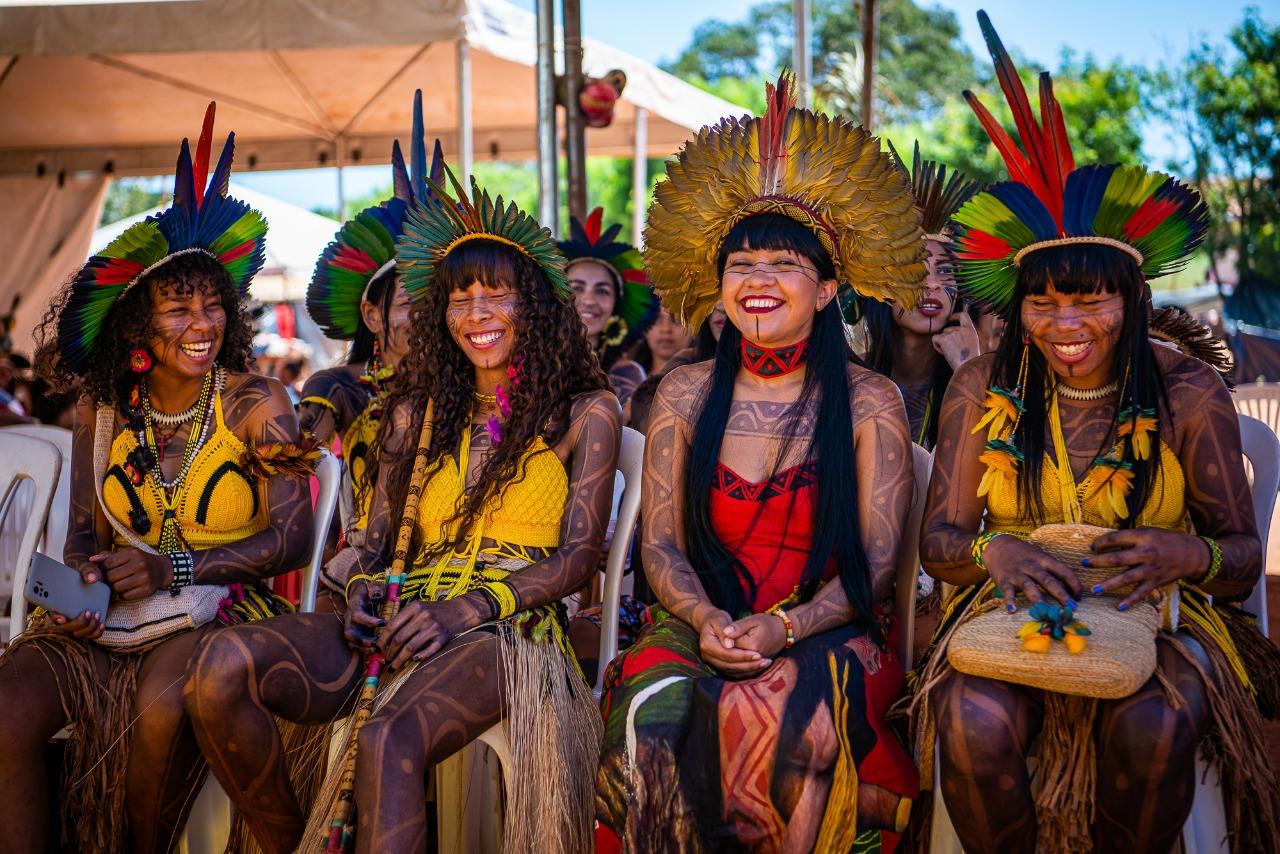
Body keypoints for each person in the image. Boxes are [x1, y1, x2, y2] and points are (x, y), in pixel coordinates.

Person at [913, 14, 1280, 852]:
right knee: (968, 717)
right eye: (1043, 301)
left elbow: (1242, 554)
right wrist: (991, 554)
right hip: (1009, 603)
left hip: (1168, 613)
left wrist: (1183, 555)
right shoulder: (982, 385)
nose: (1065, 322)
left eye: (1091, 299)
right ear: (1018, 304)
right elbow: (940, 539)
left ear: (1133, 298)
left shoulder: (1187, 391)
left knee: (1154, 723)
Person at [184, 153, 620, 854]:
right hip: (396, 614)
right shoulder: (416, 412)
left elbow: (575, 558)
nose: (474, 313)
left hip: (509, 631)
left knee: (388, 737)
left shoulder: (583, 411)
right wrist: (358, 589)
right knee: (219, 669)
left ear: (534, 305)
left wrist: (463, 610)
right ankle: (285, 843)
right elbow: (373, 543)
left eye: (496, 295)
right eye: (458, 296)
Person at [595, 73, 925, 852]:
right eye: (742, 267)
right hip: (697, 623)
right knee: (655, 726)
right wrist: (709, 620)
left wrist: (784, 628)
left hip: (829, 629)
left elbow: (875, 568)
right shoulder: (680, 391)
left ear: (829, 287)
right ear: (719, 288)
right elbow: (662, 546)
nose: (759, 282)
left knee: (777, 721)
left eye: (783, 265)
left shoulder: (872, 400)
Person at [0, 103, 313, 853]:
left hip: (224, 611)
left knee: (161, 703)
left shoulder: (255, 402)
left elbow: (294, 537)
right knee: (7, 706)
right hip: (110, 617)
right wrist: (84, 583)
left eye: (213, 304)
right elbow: (82, 532)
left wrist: (170, 565)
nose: (202, 323)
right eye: (178, 307)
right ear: (136, 325)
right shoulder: (101, 411)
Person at [302, 104, 439, 597]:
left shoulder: (475, 384)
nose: (428, 317)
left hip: (452, 566)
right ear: (371, 316)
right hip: (362, 568)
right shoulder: (336, 387)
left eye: (439, 302)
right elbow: (295, 460)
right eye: (410, 303)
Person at [860, 141, 983, 450]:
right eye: (914, 269)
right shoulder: (851, 377)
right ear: (882, 288)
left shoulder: (981, 372)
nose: (931, 285)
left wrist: (970, 369)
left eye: (944, 271)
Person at [560, 207, 658, 406]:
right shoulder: (527, 364)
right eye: (577, 288)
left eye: (602, 291)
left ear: (616, 305)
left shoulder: (627, 375)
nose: (588, 300)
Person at [631, 308, 690, 377]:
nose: (666, 329)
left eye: (676, 319)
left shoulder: (703, 384)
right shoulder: (628, 381)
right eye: (656, 320)